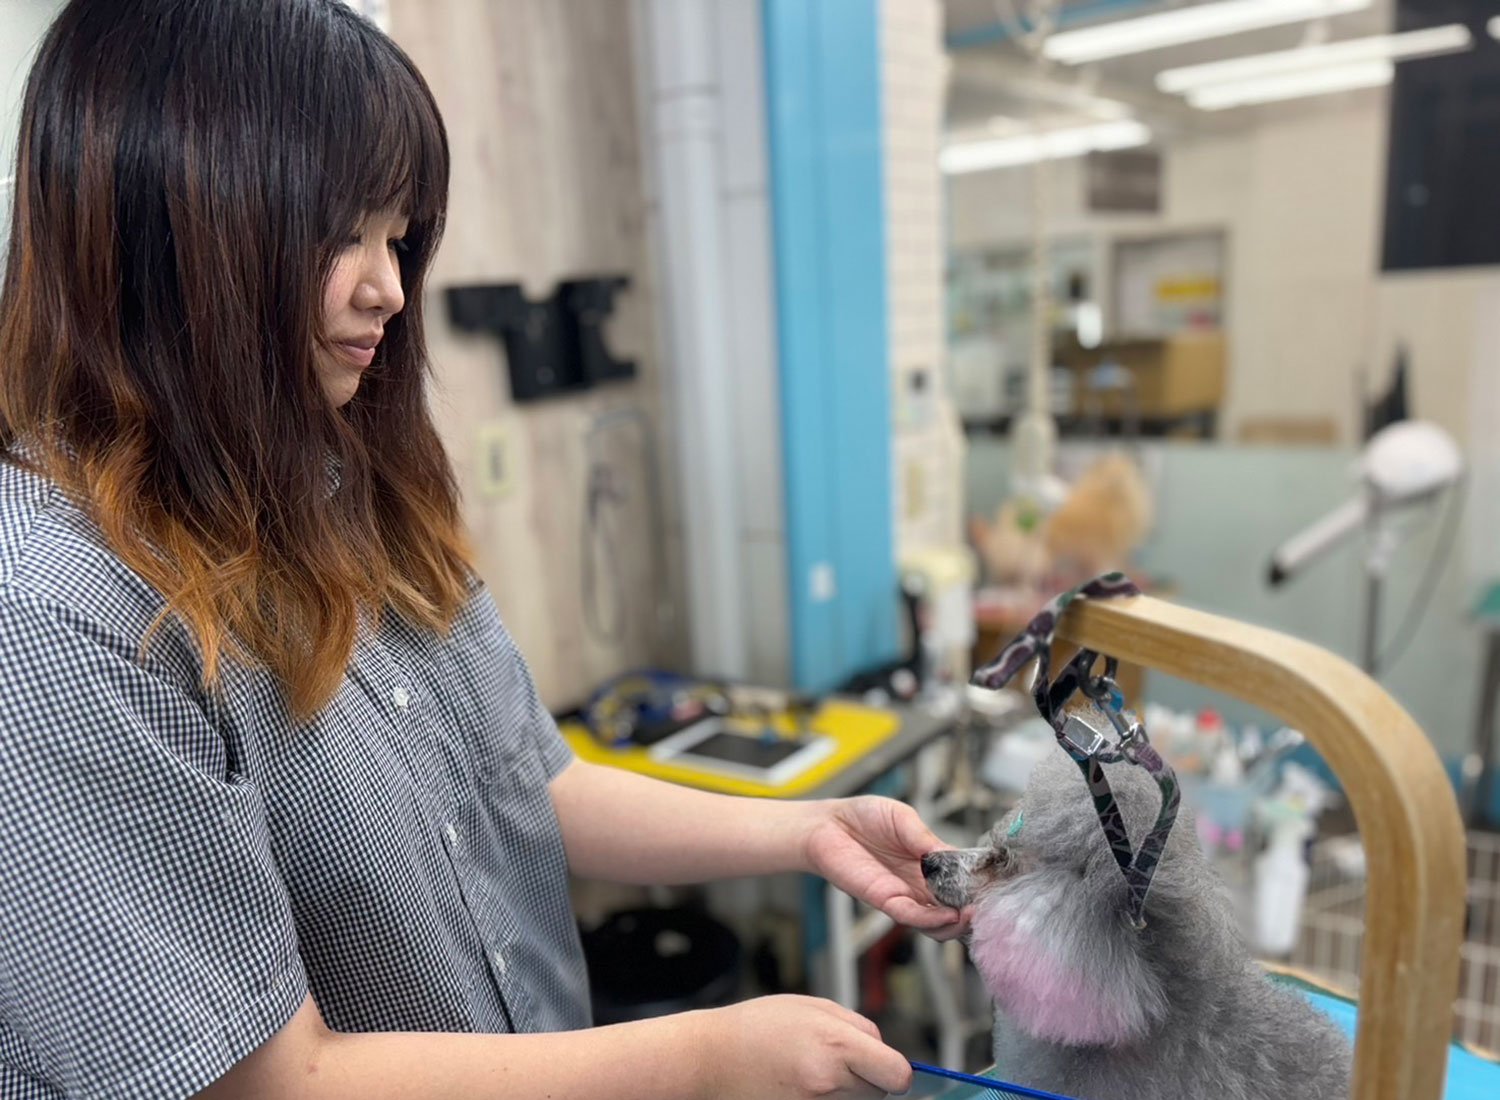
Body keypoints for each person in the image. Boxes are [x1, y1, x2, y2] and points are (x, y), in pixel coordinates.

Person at [0, 2, 967, 1097]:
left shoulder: (341, 487)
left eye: (398, 234)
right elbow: (265, 1077)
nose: (390, 287)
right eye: (341, 234)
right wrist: (707, 1054)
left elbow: (531, 787)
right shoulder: (56, 616)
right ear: (171, 230)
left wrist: (808, 831)